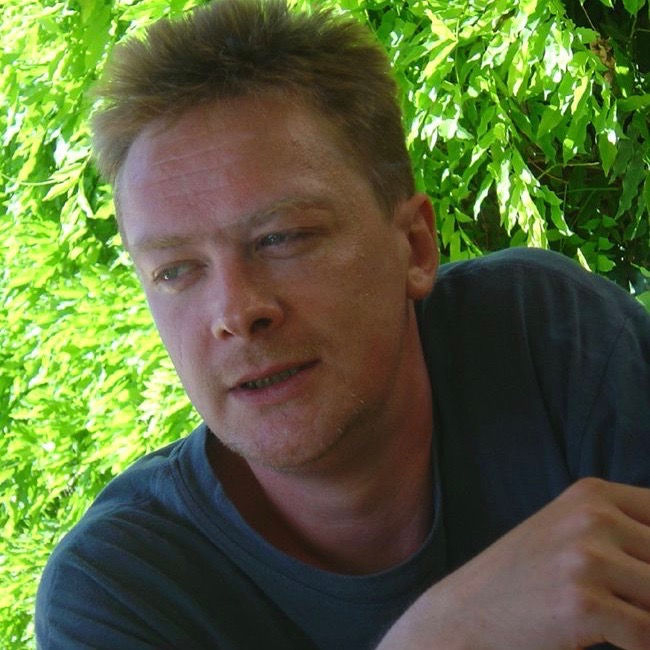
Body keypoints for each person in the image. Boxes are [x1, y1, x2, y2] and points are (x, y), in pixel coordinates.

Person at [36, 1, 650, 648]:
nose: (236, 313)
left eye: (281, 237)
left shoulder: (541, 337)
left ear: (414, 247)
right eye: (176, 271)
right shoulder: (120, 594)